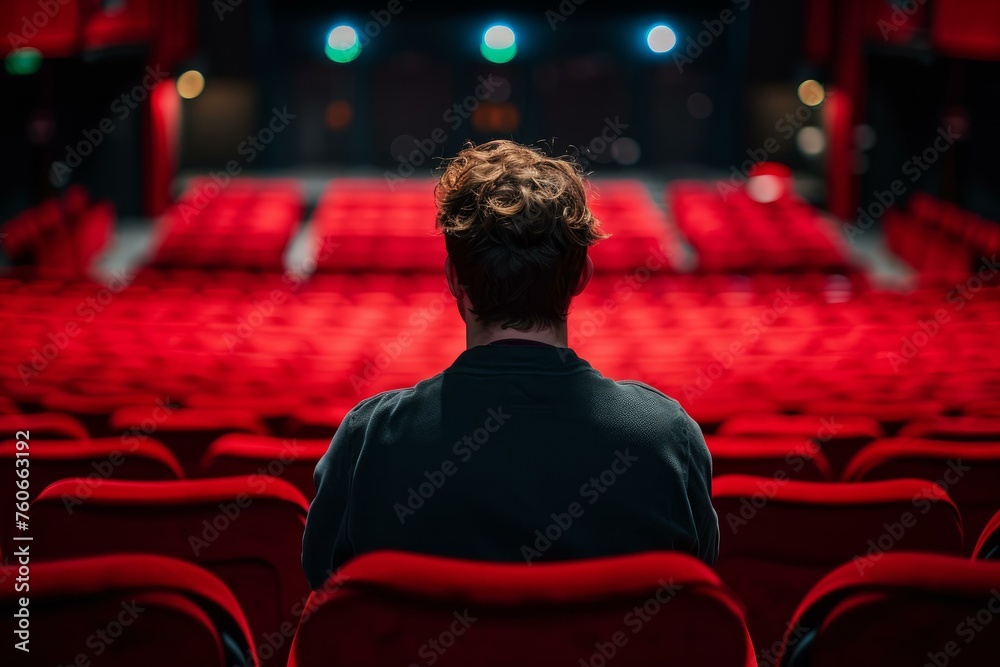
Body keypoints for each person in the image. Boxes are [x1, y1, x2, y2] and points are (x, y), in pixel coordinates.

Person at [302, 139, 719, 589]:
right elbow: (697, 597)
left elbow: (327, 598)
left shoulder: (369, 441)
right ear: (582, 276)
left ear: (453, 279)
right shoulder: (666, 439)